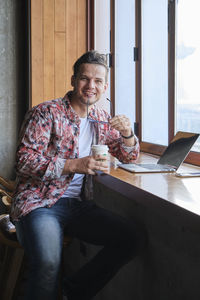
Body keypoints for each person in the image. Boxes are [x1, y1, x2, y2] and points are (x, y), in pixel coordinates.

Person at [11, 50, 146, 300]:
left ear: (105, 86)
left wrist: (128, 133)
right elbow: (24, 162)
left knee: (130, 239)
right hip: (40, 203)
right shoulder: (45, 113)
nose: (90, 86)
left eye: (97, 81)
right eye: (84, 79)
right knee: (49, 262)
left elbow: (128, 156)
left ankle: (73, 292)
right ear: (73, 80)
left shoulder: (101, 119)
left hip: (78, 206)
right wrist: (75, 165)